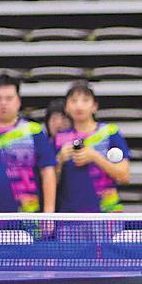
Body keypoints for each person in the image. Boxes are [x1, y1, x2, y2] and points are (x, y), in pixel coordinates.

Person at [0, 74, 56, 214]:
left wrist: (49, 213)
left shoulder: (34, 132)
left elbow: (48, 172)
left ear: (18, 101)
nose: (3, 103)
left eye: (9, 98)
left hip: (28, 217)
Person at [53, 81, 131, 213]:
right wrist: (59, 160)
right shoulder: (59, 139)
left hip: (107, 214)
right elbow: (48, 183)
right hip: (69, 215)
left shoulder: (110, 133)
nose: (79, 106)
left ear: (94, 106)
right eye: (74, 101)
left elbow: (124, 176)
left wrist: (95, 157)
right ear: (66, 107)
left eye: (85, 100)